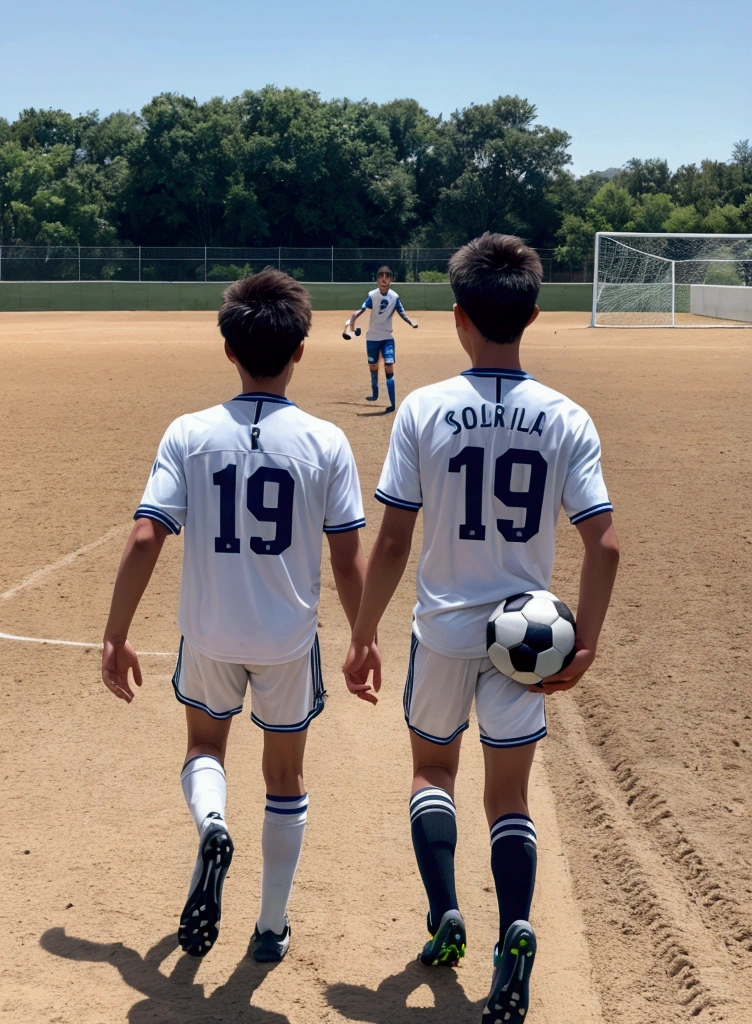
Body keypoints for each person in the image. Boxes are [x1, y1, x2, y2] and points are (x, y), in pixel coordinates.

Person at [343, 234, 619, 1021]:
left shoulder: (424, 409)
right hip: (522, 638)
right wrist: (586, 641)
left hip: (443, 631)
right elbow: (605, 540)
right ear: (533, 313)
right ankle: (517, 929)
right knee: (509, 801)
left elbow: (393, 541)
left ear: (458, 316)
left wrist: (363, 634)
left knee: (433, 775)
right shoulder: (567, 417)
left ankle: (446, 918)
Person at [102, 270, 376, 963]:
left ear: (228, 349)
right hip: (287, 640)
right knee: (284, 779)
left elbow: (144, 536)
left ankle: (213, 822)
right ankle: (271, 927)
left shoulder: (189, 433)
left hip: (210, 633)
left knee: (204, 751)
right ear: (300, 352)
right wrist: (364, 636)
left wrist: (116, 634)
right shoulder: (326, 441)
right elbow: (347, 560)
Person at [345, 265, 418, 413]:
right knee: (373, 366)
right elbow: (362, 309)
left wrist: (411, 322)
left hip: (387, 337)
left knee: (389, 366)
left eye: (387, 277)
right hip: (372, 337)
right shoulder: (372, 295)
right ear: (377, 280)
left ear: (391, 280)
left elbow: (402, 312)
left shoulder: (395, 297)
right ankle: (375, 393)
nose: (384, 279)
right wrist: (353, 320)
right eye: (381, 276)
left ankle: (392, 403)